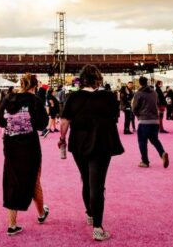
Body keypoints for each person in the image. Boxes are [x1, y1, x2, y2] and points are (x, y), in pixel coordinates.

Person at [59, 65, 123, 242]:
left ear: (82, 80)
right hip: (102, 143)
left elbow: (64, 121)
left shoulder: (73, 97)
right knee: (97, 185)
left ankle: (89, 213)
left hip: (79, 144)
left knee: (86, 180)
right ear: (98, 79)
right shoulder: (108, 96)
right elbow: (114, 117)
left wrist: (62, 139)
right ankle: (97, 228)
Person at [0, 73, 50, 236]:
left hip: (11, 146)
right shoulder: (35, 100)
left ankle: (12, 224)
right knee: (34, 180)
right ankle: (41, 213)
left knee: (12, 180)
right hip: (29, 146)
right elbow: (42, 124)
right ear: (35, 86)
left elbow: (1, 122)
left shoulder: (7, 99)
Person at [131, 76, 169, 169]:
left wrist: (137, 115)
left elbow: (134, 108)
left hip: (144, 121)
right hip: (155, 121)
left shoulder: (138, 93)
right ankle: (162, 153)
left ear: (139, 83)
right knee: (154, 140)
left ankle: (145, 161)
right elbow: (157, 103)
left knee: (142, 141)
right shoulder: (154, 93)